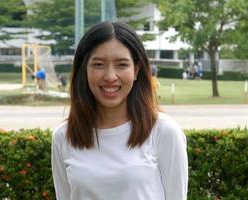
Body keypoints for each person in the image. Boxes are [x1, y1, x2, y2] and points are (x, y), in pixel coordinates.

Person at [51, 22, 188, 200]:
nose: (110, 76)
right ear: (84, 69)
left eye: (122, 65)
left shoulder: (164, 131)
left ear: (136, 69)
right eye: (98, 64)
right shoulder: (63, 136)